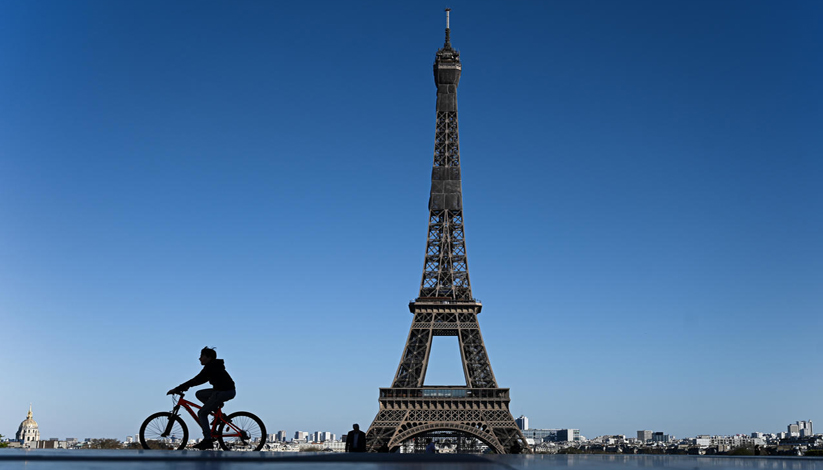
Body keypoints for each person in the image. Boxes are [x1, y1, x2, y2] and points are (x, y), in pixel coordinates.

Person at [168, 347, 236, 450]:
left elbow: (197, 379)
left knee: (202, 413)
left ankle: (207, 440)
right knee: (200, 394)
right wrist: (186, 386)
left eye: (201, 356)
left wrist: (178, 388)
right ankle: (218, 413)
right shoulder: (212, 366)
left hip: (223, 392)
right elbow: (199, 380)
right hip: (223, 391)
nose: (199, 358)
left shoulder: (211, 367)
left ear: (208, 357)